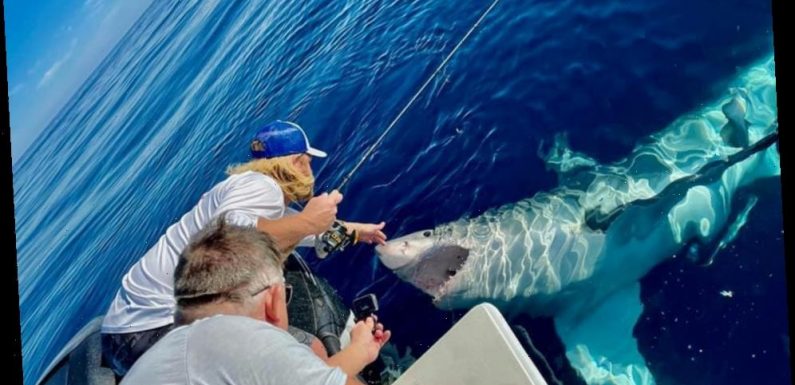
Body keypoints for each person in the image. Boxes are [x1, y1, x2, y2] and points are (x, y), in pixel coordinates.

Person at [101, 120, 388, 377]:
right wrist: (308, 220)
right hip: (155, 330)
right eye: (309, 162)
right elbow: (230, 239)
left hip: (123, 334)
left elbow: (293, 231)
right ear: (298, 162)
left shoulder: (247, 190)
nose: (310, 171)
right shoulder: (262, 187)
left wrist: (356, 231)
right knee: (308, 353)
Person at [121, 219, 390, 385]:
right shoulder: (242, 342)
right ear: (273, 299)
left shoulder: (165, 355)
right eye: (285, 294)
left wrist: (361, 352)